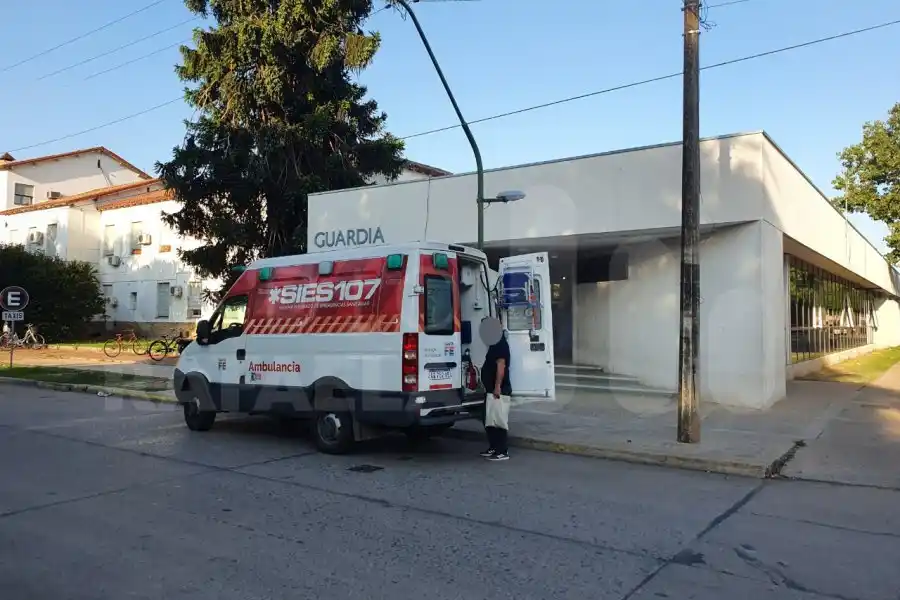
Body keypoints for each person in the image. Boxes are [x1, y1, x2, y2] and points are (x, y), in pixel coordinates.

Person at [480, 319, 512, 461]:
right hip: (490, 389)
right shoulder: (494, 343)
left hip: (498, 389)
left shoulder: (500, 344)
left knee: (499, 420)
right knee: (489, 419)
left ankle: (502, 451)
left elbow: (501, 367)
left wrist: (497, 387)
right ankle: (493, 447)